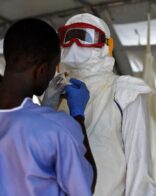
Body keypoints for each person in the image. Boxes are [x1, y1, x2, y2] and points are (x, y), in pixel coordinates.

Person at [0, 18, 96, 196]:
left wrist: (46, 110)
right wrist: (78, 116)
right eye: (53, 67)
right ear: (42, 69)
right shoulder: (59, 128)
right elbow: (83, 187)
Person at [57, 13, 156, 195]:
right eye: (68, 38)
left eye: (84, 37)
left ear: (106, 45)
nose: (74, 44)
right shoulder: (57, 93)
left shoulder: (124, 92)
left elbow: (140, 167)